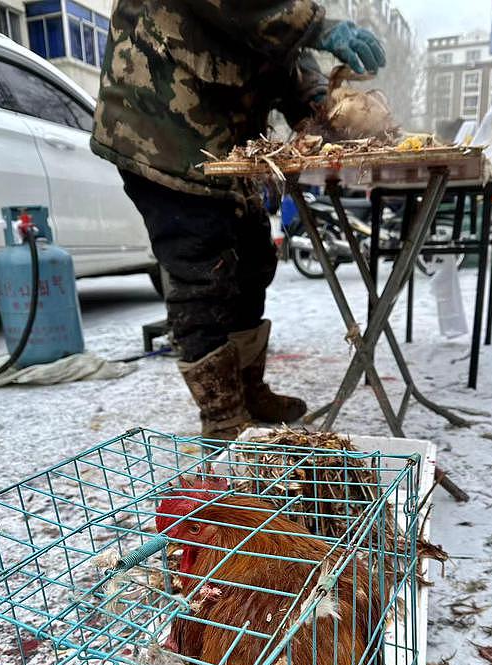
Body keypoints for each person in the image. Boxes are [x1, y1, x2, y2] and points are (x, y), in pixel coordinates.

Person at [91, 3, 386, 439]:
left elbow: (282, 50)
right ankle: (223, 416)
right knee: (202, 268)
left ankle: (248, 391)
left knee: (254, 259)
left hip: (223, 142)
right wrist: (313, 24)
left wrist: (323, 105)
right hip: (161, 128)